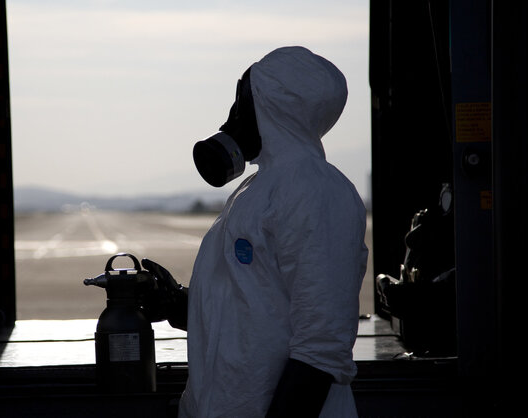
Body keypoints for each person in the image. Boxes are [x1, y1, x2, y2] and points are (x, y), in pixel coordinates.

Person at [141, 46, 368, 417]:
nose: (232, 114)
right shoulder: (258, 189)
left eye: (243, 98)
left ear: (275, 104)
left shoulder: (316, 191)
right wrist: (182, 304)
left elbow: (321, 347)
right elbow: (259, 307)